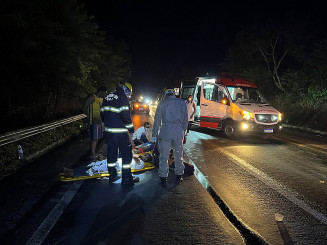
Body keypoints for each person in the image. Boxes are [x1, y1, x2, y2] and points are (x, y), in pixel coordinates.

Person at [102, 82, 139, 186]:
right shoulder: (122, 97)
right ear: (126, 90)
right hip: (120, 132)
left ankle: (112, 175)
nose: (128, 96)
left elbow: (102, 114)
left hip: (109, 132)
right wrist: (131, 130)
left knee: (111, 153)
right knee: (127, 155)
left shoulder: (107, 96)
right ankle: (127, 179)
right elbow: (125, 116)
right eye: (129, 93)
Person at [151, 88, 188, 188]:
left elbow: (157, 122)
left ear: (165, 95)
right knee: (178, 156)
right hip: (178, 132)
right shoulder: (182, 103)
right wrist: (183, 132)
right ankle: (179, 176)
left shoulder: (162, 103)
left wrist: (153, 136)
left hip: (165, 132)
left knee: (164, 156)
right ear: (173, 94)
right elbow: (185, 120)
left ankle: (163, 179)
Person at [63, 153, 153, 178]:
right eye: (144, 155)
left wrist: (137, 155)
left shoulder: (141, 164)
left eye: (145, 156)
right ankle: (73, 170)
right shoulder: (140, 160)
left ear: (146, 159)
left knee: (95, 169)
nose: (143, 155)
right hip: (115, 162)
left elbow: (134, 158)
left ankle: (73, 173)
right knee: (95, 164)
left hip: (117, 166)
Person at [82, 86, 107, 162]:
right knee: (94, 139)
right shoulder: (92, 97)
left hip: (99, 121)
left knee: (98, 138)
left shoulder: (101, 99)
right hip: (93, 121)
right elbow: (84, 108)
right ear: (101, 91)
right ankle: (93, 156)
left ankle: (94, 153)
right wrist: (87, 118)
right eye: (105, 93)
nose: (105, 95)